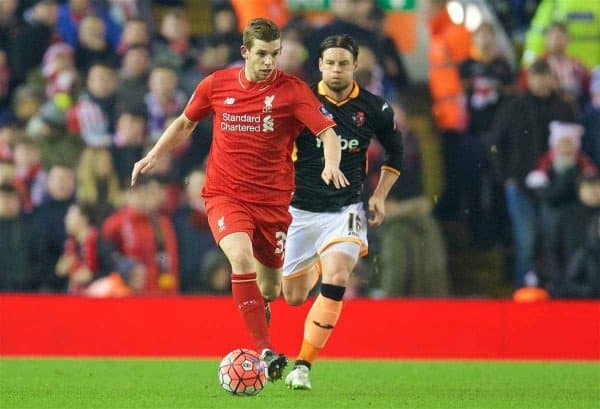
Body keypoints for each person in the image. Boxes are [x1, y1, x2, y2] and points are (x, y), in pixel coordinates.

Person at [131, 18, 347, 381]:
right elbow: (185, 123)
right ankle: (265, 350)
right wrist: (153, 154)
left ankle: (291, 278)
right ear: (245, 52)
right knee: (239, 255)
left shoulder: (292, 91)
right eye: (262, 54)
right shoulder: (216, 85)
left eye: (275, 55)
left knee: (271, 289)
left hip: (273, 203)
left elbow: (327, 133)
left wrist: (330, 164)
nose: (269, 63)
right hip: (225, 194)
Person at [281, 35, 404, 390]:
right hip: (300, 210)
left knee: (337, 277)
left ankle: (303, 365)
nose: (336, 69)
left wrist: (379, 196)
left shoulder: (375, 108)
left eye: (343, 63)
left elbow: (395, 153)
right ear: (319, 65)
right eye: (330, 63)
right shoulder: (299, 100)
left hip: (346, 208)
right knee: (292, 297)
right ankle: (317, 258)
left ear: (355, 65)